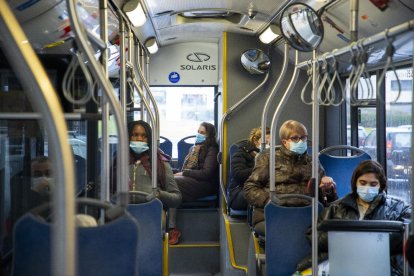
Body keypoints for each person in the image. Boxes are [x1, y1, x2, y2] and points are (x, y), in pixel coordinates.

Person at [296, 160, 411, 275]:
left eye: (373, 184)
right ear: (355, 183)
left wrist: (371, 244)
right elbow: (314, 234)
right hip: (341, 262)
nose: (367, 188)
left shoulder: (398, 207)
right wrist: (344, 241)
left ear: (381, 185)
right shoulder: (337, 207)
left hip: (382, 266)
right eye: (363, 182)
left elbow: (409, 232)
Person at [244, 120, 337, 235]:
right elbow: (250, 188)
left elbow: (327, 197)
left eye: (303, 138)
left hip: (307, 215)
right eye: (295, 138)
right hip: (274, 214)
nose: (301, 141)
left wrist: (328, 190)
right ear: (284, 142)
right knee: (290, 232)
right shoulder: (268, 158)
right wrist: (270, 201)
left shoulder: (312, 161)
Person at [111, 120, 182, 209]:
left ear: (149, 139)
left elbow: (176, 198)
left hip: (150, 211)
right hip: (122, 211)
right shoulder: (117, 160)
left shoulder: (160, 163)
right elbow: (100, 190)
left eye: (144, 136)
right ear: (128, 137)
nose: (140, 139)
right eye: (135, 135)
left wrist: (159, 194)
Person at [168, 122, 219, 245]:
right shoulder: (193, 149)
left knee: (172, 183)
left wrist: (184, 173)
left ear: (209, 135)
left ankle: (171, 228)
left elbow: (206, 173)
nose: (199, 135)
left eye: (202, 133)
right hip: (192, 181)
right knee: (168, 181)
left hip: (204, 184)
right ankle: (169, 227)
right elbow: (185, 170)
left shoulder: (212, 150)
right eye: (198, 132)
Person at [227, 127, 270, 211]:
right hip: (240, 190)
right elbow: (238, 175)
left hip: (262, 187)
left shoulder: (272, 154)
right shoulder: (241, 152)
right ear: (255, 141)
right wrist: (260, 168)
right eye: (266, 142)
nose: (268, 145)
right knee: (267, 197)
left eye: (270, 142)